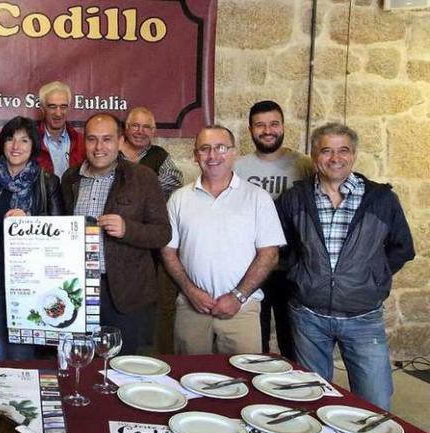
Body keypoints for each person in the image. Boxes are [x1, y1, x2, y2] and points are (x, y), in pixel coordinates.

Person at [277, 123, 414, 410]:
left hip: (363, 319)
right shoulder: (295, 199)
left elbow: (402, 248)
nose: (335, 158)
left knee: (375, 407)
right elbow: (281, 245)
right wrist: (301, 273)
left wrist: (371, 277)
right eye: (326, 150)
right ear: (314, 155)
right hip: (308, 316)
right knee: (311, 401)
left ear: (353, 155)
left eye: (343, 150)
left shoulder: (381, 199)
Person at [161, 125, 285, 355]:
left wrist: (238, 296)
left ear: (234, 152)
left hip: (242, 309)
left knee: (243, 382)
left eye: (221, 148)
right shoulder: (179, 199)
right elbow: (168, 252)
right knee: (189, 381)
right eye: (205, 149)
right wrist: (190, 291)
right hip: (192, 309)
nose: (213, 156)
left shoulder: (257, 198)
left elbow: (269, 254)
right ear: (195, 154)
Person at [61, 113, 171, 354]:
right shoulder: (71, 178)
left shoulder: (143, 178)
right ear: (85, 142)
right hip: (79, 291)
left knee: (123, 365)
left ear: (120, 141)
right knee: (81, 359)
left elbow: (163, 233)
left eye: (107, 139)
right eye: (92, 139)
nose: (99, 147)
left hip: (125, 294)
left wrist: (127, 229)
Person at [0, 117, 64, 361]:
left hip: (27, 286)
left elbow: (60, 237)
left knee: (22, 357)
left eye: (24, 140)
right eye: (10, 138)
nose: (16, 146)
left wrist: (30, 221)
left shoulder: (47, 182)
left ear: (34, 146)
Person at [234, 100, 313, 359]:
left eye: (273, 124)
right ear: (250, 130)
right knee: (255, 341)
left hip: (292, 268)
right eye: (260, 125)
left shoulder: (304, 165)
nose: (267, 130)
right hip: (252, 267)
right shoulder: (239, 167)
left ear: (283, 126)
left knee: (293, 340)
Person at [120, 106, 183, 199]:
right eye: (135, 126)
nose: (140, 131)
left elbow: (174, 180)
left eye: (146, 127)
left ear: (153, 131)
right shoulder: (112, 153)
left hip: (148, 212)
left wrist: (130, 189)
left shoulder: (159, 154)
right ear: (127, 128)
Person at [35, 81, 86, 178]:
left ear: (69, 108)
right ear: (42, 109)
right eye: (52, 107)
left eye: (63, 107)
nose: (58, 113)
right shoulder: (31, 141)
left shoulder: (82, 142)